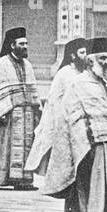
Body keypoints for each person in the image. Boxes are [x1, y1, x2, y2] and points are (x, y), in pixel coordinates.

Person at [39, 40, 107, 212]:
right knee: (93, 186)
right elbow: (71, 114)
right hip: (92, 142)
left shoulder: (105, 84)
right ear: (90, 61)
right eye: (102, 58)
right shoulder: (77, 83)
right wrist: (83, 141)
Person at [0, 27, 41, 190]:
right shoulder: (1, 64)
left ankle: (23, 181)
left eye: (26, 44)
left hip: (26, 115)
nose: (25, 47)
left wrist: (36, 110)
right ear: (12, 45)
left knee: (25, 147)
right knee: (3, 148)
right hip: (7, 114)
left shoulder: (28, 65)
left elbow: (33, 89)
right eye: (21, 44)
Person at [26, 38, 87, 181]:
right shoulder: (64, 73)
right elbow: (54, 100)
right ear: (73, 55)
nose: (85, 56)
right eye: (82, 52)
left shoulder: (82, 73)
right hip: (62, 119)